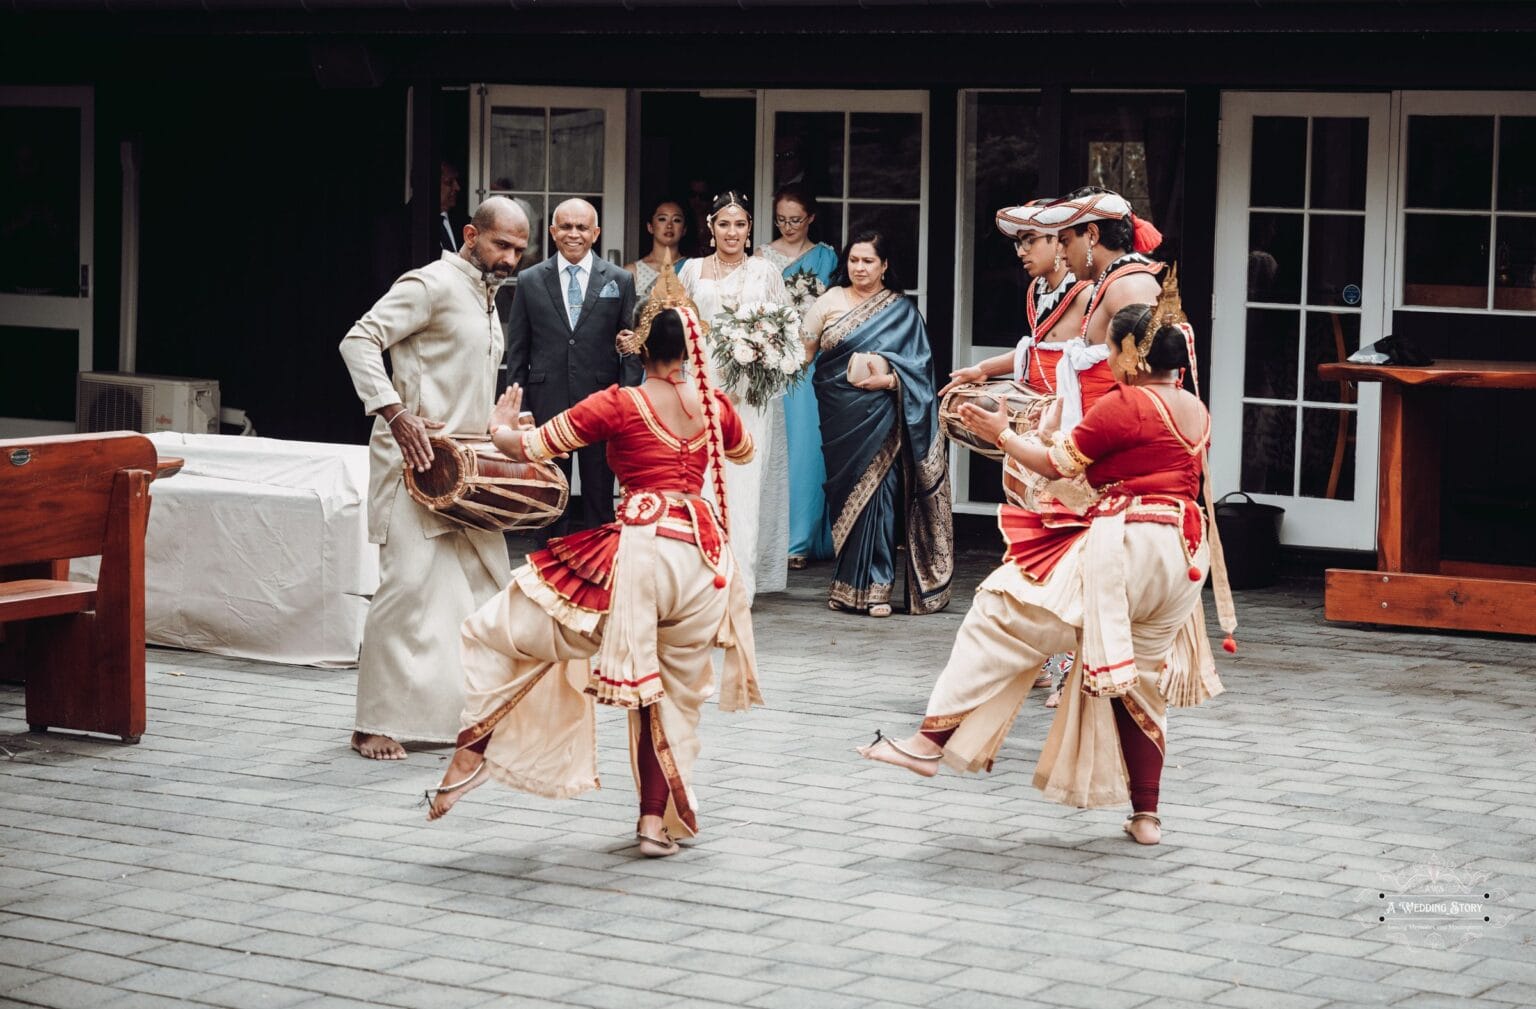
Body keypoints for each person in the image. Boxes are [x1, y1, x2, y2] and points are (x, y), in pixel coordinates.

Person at [857, 274, 1235, 846]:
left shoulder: (1126, 403)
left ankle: (929, 744)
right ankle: (1146, 815)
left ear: (1132, 356)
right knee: (1143, 682)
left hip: (1130, 546)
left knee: (1001, 608)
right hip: (1184, 557)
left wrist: (1002, 432)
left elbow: (1056, 463)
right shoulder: (1194, 409)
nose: (1106, 358)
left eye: (1110, 347)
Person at [424, 305, 763, 859]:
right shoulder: (714, 404)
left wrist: (502, 430)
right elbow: (742, 451)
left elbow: (532, 449)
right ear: (692, 349)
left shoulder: (619, 402)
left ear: (637, 347)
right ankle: (653, 825)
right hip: (704, 562)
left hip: (645, 552)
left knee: (503, 628)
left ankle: (472, 751)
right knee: (670, 698)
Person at [338, 197, 530, 761]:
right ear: (471, 234)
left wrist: (499, 424)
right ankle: (371, 723)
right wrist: (395, 413)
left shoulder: (488, 295)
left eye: (519, 249)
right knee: (406, 592)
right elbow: (358, 340)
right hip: (413, 469)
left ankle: (468, 715)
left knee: (483, 590)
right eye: (501, 245)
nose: (511, 258)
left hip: (466, 471)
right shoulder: (430, 284)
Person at [942, 200, 1094, 707]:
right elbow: (1030, 349)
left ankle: (1072, 665)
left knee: (1060, 540)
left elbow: (1073, 363)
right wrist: (981, 372)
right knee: (1027, 543)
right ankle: (1035, 659)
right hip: (1028, 419)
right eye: (1019, 243)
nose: (1023, 251)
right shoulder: (1038, 290)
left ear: (1060, 242)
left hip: (1062, 426)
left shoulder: (1089, 292)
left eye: (1033, 241)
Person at [801, 229, 953, 618]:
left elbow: (921, 368)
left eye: (869, 261)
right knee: (846, 497)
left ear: (884, 266)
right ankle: (846, 585)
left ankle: (877, 589)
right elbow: (803, 354)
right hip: (840, 416)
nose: (860, 268)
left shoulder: (901, 311)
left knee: (881, 497)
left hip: (883, 415)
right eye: (854, 260)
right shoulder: (829, 301)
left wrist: (888, 380)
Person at [506, 198, 643, 539]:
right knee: (551, 495)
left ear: (595, 233)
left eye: (582, 227)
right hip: (546, 401)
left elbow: (632, 347)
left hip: (602, 403)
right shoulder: (530, 279)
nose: (573, 234)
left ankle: (598, 570)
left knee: (599, 494)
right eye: (565, 226)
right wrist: (521, 409)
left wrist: (625, 402)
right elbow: (518, 351)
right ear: (552, 232)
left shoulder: (619, 280)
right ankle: (549, 568)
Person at [679, 191, 793, 603]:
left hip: (750, 396)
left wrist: (760, 360)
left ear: (749, 230)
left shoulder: (766, 272)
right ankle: (700, 580)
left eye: (740, 224)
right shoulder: (691, 271)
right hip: (703, 390)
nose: (732, 232)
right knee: (704, 482)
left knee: (744, 487)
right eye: (723, 223)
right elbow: (679, 330)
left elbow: (786, 332)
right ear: (710, 228)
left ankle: (738, 582)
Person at [757, 184, 839, 570]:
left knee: (807, 448)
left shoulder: (826, 257)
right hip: (773, 360)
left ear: (810, 219)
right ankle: (769, 537)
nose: (788, 226)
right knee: (772, 448)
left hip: (811, 362)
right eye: (781, 220)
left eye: (796, 220)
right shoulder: (762, 258)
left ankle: (801, 539)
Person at [624, 198, 688, 301]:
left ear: (684, 230)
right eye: (662, 219)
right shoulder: (632, 272)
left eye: (676, 220)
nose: (669, 226)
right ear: (650, 227)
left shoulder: (692, 269)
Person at [436, 161, 465, 254]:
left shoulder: (465, 223)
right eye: (449, 182)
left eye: (456, 181)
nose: (457, 187)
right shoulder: (398, 226)